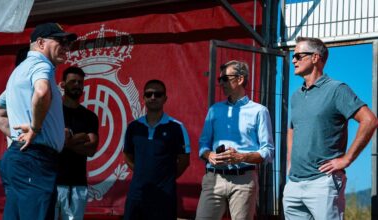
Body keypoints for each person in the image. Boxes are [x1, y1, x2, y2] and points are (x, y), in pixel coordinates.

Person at [283, 37, 378, 220]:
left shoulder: (337, 90)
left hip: (323, 183)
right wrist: (289, 161)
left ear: (315, 58)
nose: (293, 60)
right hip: (294, 184)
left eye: (298, 55)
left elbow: (370, 120)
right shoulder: (296, 96)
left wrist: (347, 159)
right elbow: (293, 128)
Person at [0, 23, 77, 220]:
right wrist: (35, 130)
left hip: (21, 160)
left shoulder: (18, 72)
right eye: (60, 41)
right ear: (40, 43)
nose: (66, 46)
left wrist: (20, 136)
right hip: (34, 160)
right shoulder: (41, 65)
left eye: (68, 43)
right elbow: (42, 92)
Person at [196, 60, 275, 220]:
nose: (221, 83)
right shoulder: (214, 110)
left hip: (244, 181)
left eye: (225, 78)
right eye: (220, 79)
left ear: (240, 79)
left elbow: (268, 151)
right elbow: (203, 145)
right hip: (213, 179)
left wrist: (241, 157)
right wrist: (209, 155)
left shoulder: (259, 111)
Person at [123, 79, 191, 220]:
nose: (153, 97)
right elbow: (127, 155)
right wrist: (142, 173)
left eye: (158, 94)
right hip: (137, 195)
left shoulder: (177, 127)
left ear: (165, 98)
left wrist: (165, 178)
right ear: (143, 98)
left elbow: (184, 161)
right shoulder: (133, 127)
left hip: (164, 196)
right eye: (149, 94)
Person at [55, 66, 99, 220]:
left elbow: (92, 148)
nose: (77, 85)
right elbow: (52, 144)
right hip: (53, 183)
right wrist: (82, 137)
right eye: (72, 81)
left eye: (80, 82)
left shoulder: (90, 116)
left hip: (78, 184)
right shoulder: (53, 113)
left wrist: (66, 142)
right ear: (62, 84)